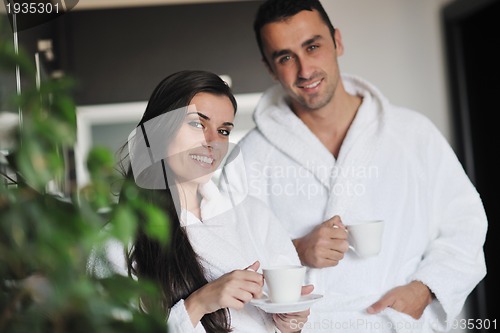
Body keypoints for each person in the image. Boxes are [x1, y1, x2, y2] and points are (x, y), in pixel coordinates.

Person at [220, 1, 488, 332]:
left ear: (338, 41)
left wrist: (424, 290)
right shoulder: (250, 157)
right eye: (285, 57)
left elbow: (466, 225)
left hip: (399, 325)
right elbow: (227, 262)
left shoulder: (412, 133)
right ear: (270, 68)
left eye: (313, 46)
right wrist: (296, 250)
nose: (304, 70)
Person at [97, 70, 313, 333]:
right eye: (197, 124)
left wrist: (290, 324)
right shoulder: (116, 243)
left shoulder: (254, 216)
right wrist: (200, 303)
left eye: (223, 131)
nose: (213, 142)